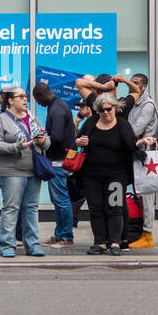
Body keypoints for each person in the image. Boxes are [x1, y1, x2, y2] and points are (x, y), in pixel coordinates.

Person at [74, 93, 146, 255]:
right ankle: (100, 242)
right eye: (101, 110)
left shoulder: (121, 124)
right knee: (96, 209)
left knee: (115, 208)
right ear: (97, 111)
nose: (105, 112)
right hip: (92, 176)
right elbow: (78, 141)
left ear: (115, 108)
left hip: (116, 175)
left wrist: (140, 143)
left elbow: (132, 144)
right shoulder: (91, 122)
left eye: (108, 109)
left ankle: (115, 242)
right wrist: (79, 142)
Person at [0, 86, 51, 258]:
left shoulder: (31, 117)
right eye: (21, 96)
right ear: (10, 100)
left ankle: (33, 245)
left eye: (25, 96)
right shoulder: (2, 119)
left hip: (33, 169)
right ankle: (7, 246)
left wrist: (44, 140)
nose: (25, 99)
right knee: (12, 208)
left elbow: (46, 142)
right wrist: (17, 146)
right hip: (11, 171)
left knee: (31, 208)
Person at [33, 82, 75, 248]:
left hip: (59, 161)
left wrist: (43, 138)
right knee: (59, 200)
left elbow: (56, 137)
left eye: (37, 100)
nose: (38, 104)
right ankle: (59, 235)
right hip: (60, 160)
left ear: (42, 96)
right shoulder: (59, 105)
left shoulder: (56, 110)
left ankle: (66, 236)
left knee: (61, 200)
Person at [69, 94, 94, 226]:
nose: (79, 110)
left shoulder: (93, 122)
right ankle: (73, 218)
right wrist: (77, 123)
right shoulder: (86, 122)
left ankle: (73, 218)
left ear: (89, 107)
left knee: (82, 192)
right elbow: (76, 139)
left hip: (90, 163)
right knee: (79, 191)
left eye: (82, 107)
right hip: (84, 162)